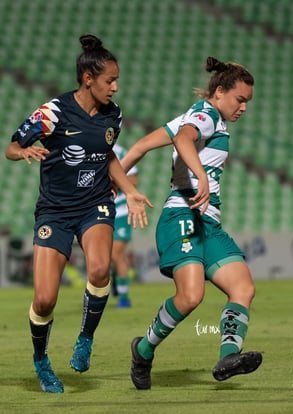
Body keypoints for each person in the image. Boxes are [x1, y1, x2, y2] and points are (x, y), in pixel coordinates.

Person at [4, 34, 152, 394]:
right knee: (44, 299)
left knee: (101, 268)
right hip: (54, 211)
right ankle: (41, 360)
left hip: (94, 204)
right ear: (89, 79)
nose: (115, 87)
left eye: (117, 80)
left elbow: (108, 155)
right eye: (109, 81)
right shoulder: (52, 112)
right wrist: (23, 153)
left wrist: (130, 190)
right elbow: (11, 145)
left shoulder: (112, 116)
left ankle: (85, 338)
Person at [121, 56, 262, 390]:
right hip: (182, 214)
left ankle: (229, 356)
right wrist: (199, 176)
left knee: (242, 287)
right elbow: (183, 140)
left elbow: (141, 145)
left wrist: (119, 178)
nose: (243, 107)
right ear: (220, 92)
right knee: (190, 296)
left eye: (247, 102)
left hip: (207, 222)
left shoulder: (199, 115)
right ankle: (143, 350)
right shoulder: (206, 115)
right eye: (240, 99)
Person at [111, 143, 138, 308]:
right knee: (103, 257)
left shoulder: (120, 152)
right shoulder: (89, 147)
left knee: (116, 253)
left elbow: (133, 180)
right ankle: (116, 278)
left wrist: (112, 178)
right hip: (99, 212)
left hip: (120, 212)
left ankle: (124, 297)